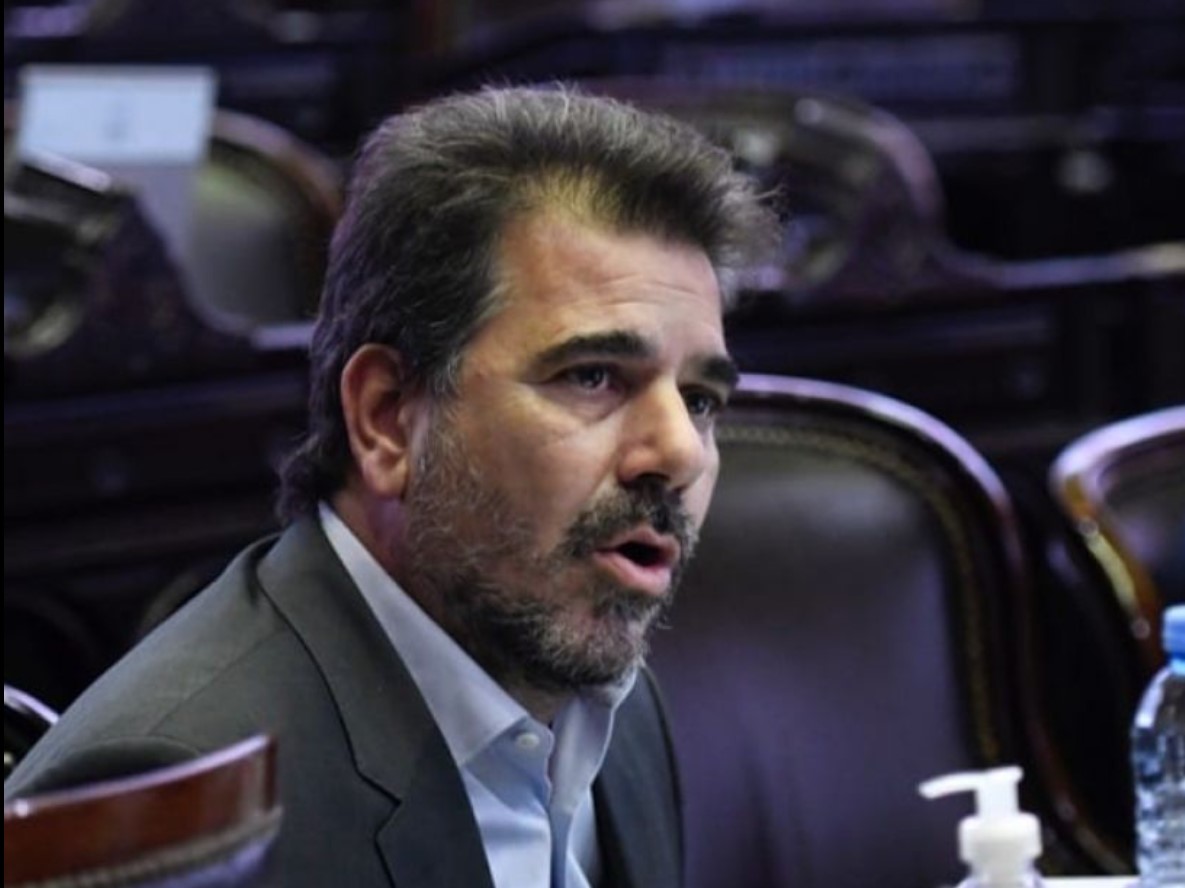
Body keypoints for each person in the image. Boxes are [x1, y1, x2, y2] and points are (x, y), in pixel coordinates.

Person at [4, 85, 778, 887]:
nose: (678, 452)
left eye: (699, 400)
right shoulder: (174, 809)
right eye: (592, 376)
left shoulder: (611, 701)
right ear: (385, 419)